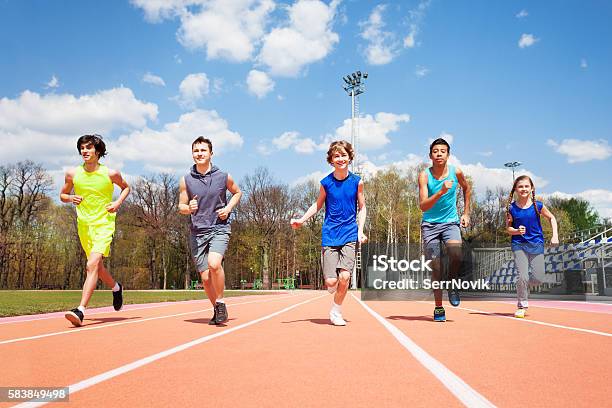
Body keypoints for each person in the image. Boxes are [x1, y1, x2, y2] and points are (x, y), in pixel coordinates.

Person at [291, 140, 367, 326]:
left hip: (349, 233)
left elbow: (362, 208)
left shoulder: (357, 182)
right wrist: (302, 220)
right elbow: (317, 205)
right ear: (331, 160)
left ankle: (336, 310)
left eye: (343, 155)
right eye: (336, 156)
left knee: (345, 277)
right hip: (330, 235)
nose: (340, 159)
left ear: (350, 157)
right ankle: (333, 287)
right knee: (332, 283)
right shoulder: (326, 183)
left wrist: (360, 231)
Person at [60, 134, 130, 327]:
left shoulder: (110, 173)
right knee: (97, 268)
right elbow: (62, 194)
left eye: (89, 148)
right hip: (84, 225)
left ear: (98, 151)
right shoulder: (73, 174)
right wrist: (69, 198)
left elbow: (125, 188)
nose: (85, 151)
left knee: (91, 265)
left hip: (104, 224)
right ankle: (116, 288)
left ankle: (80, 310)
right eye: (82, 148)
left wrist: (117, 202)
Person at [178, 137, 242, 325]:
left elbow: (237, 192)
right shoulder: (186, 180)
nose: (199, 154)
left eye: (203, 150)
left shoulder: (223, 176)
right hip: (197, 231)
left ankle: (220, 302)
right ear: (192, 154)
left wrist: (228, 208)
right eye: (196, 151)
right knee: (205, 278)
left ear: (211, 153)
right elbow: (181, 206)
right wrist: (188, 207)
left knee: (214, 264)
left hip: (219, 227)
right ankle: (217, 308)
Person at [418, 138, 471, 322]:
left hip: (451, 222)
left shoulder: (456, 172)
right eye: (435, 151)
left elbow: (466, 188)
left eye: (443, 151)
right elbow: (423, 206)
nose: (439, 154)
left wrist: (466, 213)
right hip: (430, 225)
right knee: (436, 267)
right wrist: (440, 192)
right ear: (430, 155)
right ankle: (439, 307)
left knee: (456, 254)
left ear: (448, 154)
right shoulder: (424, 176)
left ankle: (452, 283)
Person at [506, 175, 558, 318]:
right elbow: (508, 229)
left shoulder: (538, 205)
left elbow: (552, 218)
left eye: (526, 186)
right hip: (519, 245)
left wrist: (555, 236)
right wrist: (516, 231)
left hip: (536, 244)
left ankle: (523, 285)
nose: (523, 189)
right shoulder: (511, 208)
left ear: (532, 188)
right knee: (522, 276)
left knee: (538, 278)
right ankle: (522, 304)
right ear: (515, 189)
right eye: (520, 186)